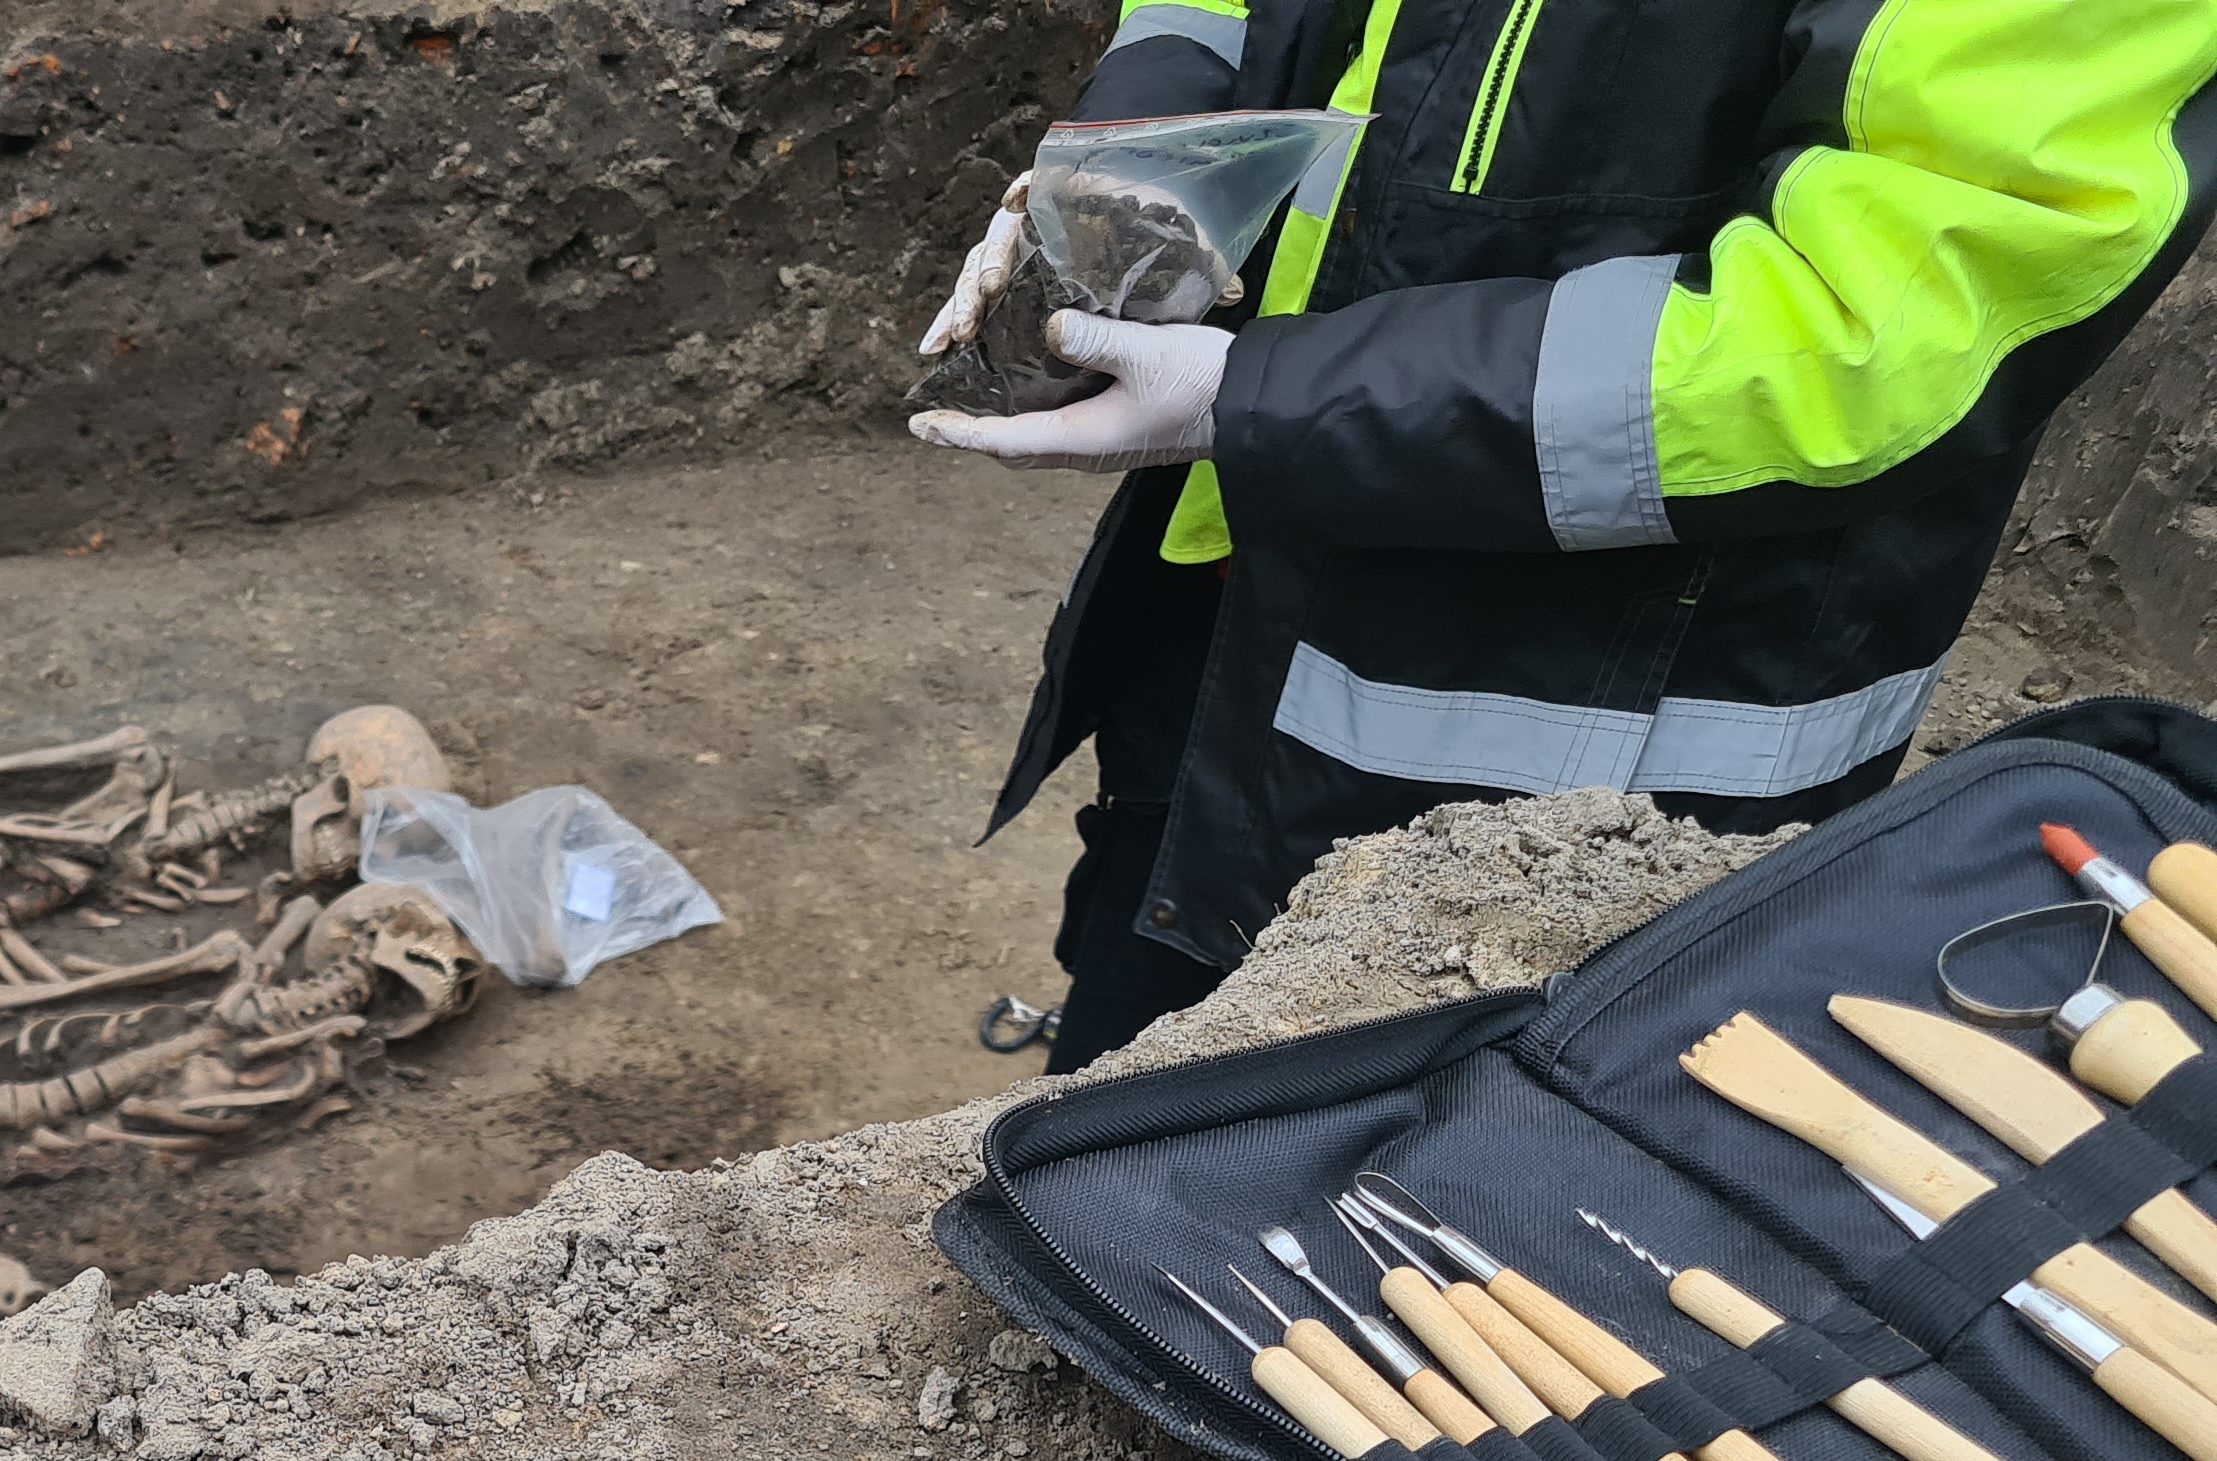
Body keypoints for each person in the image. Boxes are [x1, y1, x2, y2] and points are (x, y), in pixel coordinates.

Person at [911, 0, 2217, 1075]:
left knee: (1427, 1137)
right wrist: (1146, 145)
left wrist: (1266, 398)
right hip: (1235, 573)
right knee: (1132, 1024)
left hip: (1563, 744)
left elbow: (1870, 337)